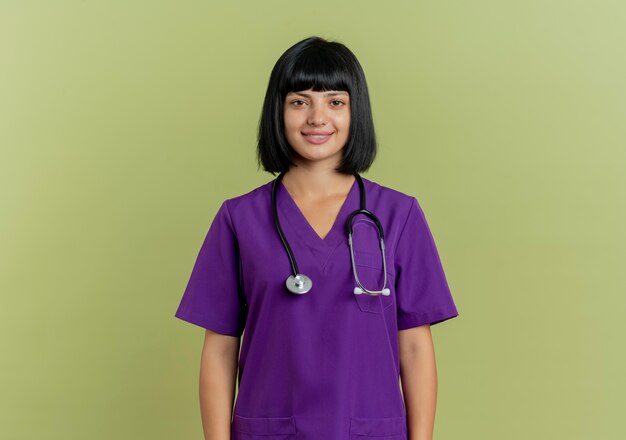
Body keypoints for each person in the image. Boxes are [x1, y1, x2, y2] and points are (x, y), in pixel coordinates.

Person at [174, 36, 459, 440]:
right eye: (299, 101)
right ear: (278, 111)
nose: (317, 117)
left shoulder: (399, 215)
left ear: (355, 110)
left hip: (369, 430)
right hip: (270, 429)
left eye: (335, 102)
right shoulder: (239, 219)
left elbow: (414, 346)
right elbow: (220, 349)